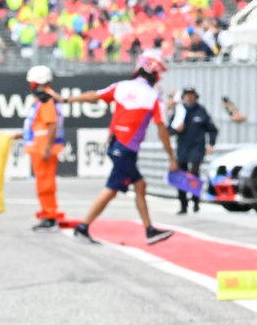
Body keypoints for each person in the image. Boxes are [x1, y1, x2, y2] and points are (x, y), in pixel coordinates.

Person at [57, 53, 178, 246]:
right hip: (126, 148)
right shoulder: (154, 97)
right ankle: (84, 226)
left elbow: (93, 96)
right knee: (112, 189)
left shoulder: (121, 87)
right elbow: (162, 131)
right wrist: (171, 157)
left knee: (139, 185)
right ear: (153, 74)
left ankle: (149, 230)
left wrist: (67, 100)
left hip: (116, 144)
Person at [10, 65, 65, 231]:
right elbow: (40, 124)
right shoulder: (45, 98)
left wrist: (47, 147)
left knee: (45, 184)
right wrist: (21, 135)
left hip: (44, 148)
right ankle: (48, 214)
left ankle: (49, 217)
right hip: (41, 146)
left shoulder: (45, 99)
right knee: (43, 182)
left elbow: (52, 124)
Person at [170, 86, 218, 215]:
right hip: (182, 149)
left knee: (194, 172)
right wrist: (176, 129)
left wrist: (211, 144)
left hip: (197, 148)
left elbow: (212, 129)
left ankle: (196, 201)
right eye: (187, 95)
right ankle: (183, 204)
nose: (189, 98)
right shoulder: (179, 112)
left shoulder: (201, 111)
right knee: (181, 175)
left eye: (192, 95)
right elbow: (168, 130)